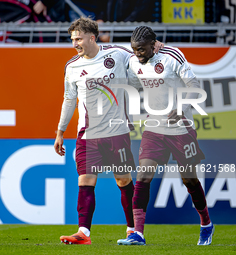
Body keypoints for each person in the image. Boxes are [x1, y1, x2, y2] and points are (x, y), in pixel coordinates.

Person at [54, 17, 163, 245]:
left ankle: (133, 230)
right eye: (72, 39)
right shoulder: (72, 67)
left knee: (123, 181)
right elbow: (68, 99)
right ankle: (83, 233)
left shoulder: (118, 54)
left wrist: (156, 49)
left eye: (78, 38)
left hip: (116, 133)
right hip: (87, 135)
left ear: (91, 37)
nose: (75, 43)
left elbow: (141, 59)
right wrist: (60, 132)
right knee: (85, 181)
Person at [117, 26, 214, 246]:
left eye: (141, 49)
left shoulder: (173, 56)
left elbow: (195, 86)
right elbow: (127, 87)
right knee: (143, 177)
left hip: (181, 128)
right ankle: (137, 234)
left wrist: (181, 107)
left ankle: (206, 223)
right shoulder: (133, 62)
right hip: (155, 127)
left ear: (154, 44)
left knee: (189, 179)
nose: (137, 54)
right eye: (134, 49)